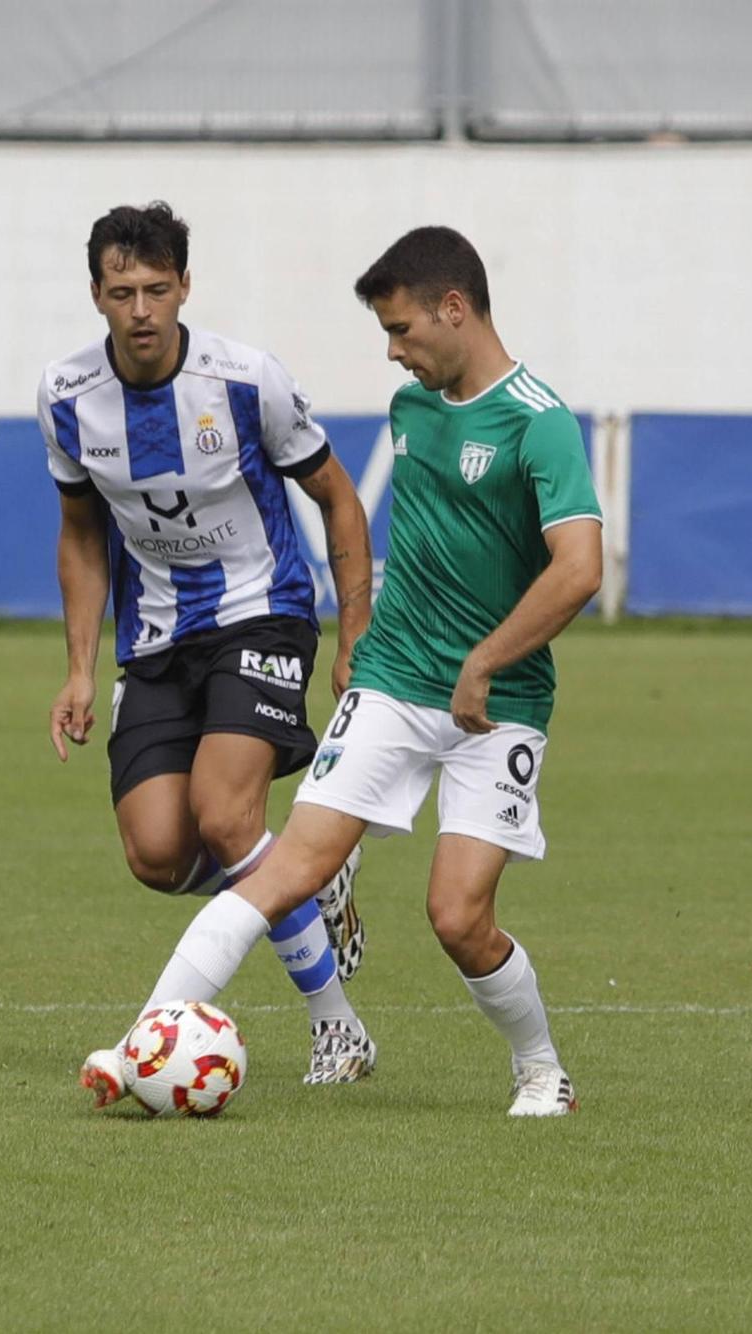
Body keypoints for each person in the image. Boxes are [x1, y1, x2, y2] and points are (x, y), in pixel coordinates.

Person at [84, 225, 602, 1117]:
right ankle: (142, 1043)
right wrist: (360, 630)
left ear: (455, 308)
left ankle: (542, 1069)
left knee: (458, 920)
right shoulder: (414, 411)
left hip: (499, 700)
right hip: (395, 682)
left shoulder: (540, 423)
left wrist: (484, 660)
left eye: (403, 331)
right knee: (279, 869)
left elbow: (580, 568)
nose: (395, 353)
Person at [38, 202, 378, 1094]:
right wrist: (78, 667)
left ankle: (336, 1026)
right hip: (154, 637)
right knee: (158, 854)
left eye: (157, 289)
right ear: (96, 296)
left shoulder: (245, 381)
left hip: (261, 613)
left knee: (226, 816)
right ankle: (302, 874)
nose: (142, 309)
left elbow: (338, 499)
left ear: (185, 286)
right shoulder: (66, 397)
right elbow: (80, 534)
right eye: (122, 292)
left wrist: (355, 633)